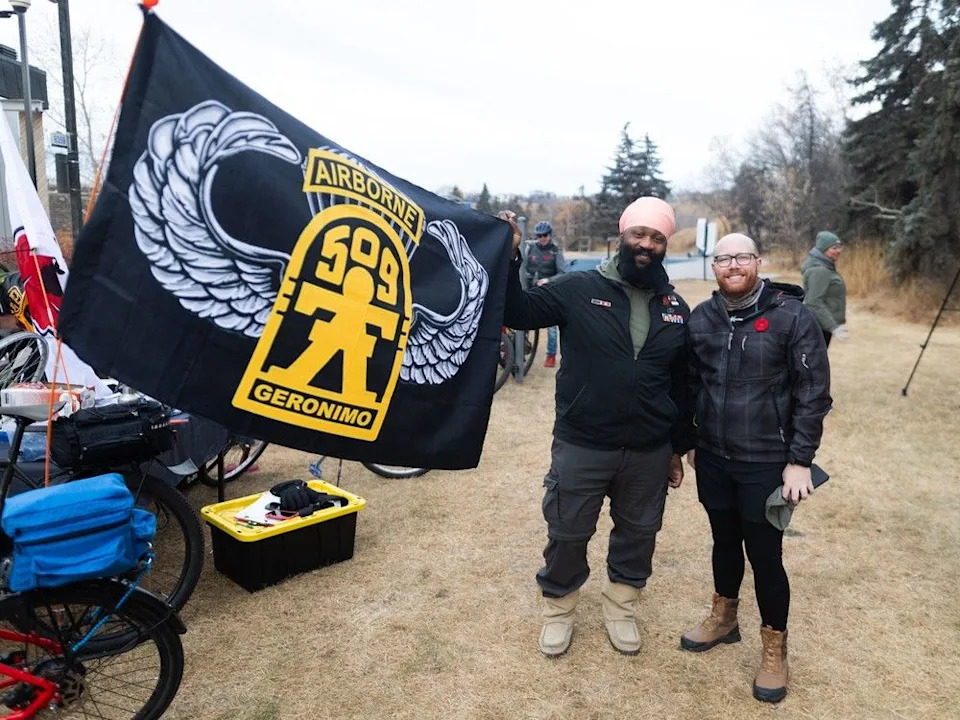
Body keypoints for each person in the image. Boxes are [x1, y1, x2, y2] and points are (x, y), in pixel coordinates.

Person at [498, 197, 694, 658]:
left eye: (656, 237)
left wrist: (677, 448)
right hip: (583, 441)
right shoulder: (578, 288)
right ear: (623, 235)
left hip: (648, 449)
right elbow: (518, 313)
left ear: (665, 244)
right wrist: (509, 257)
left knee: (639, 532)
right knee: (567, 531)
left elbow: (684, 386)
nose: (646, 244)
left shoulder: (675, 307)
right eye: (639, 234)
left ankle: (621, 607)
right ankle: (558, 610)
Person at [681, 232, 831, 703]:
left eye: (741, 257)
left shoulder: (792, 317)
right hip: (713, 457)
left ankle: (774, 648)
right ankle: (724, 618)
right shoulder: (701, 319)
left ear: (758, 262)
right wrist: (689, 441)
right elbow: (688, 384)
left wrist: (799, 461)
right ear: (714, 266)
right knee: (723, 541)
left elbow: (813, 394)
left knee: (765, 556)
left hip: (767, 460)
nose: (733, 265)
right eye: (723, 258)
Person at [520, 221, 565, 367]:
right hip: (531, 291)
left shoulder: (556, 251)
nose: (542, 238)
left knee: (551, 327)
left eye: (545, 235)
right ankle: (519, 349)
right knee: (523, 321)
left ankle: (551, 355)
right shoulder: (530, 249)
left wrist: (548, 280)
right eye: (539, 236)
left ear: (550, 235)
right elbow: (523, 267)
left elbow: (562, 273)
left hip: (549, 293)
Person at [801, 231, 847, 347]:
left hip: (822, 324)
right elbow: (813, 301)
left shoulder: (825, 266)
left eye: (839, 247)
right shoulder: (820, 270)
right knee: (815, 362)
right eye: (834, 248)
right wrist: (832, 326)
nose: (838, 251)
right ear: (823, 249)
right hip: (819, 326)